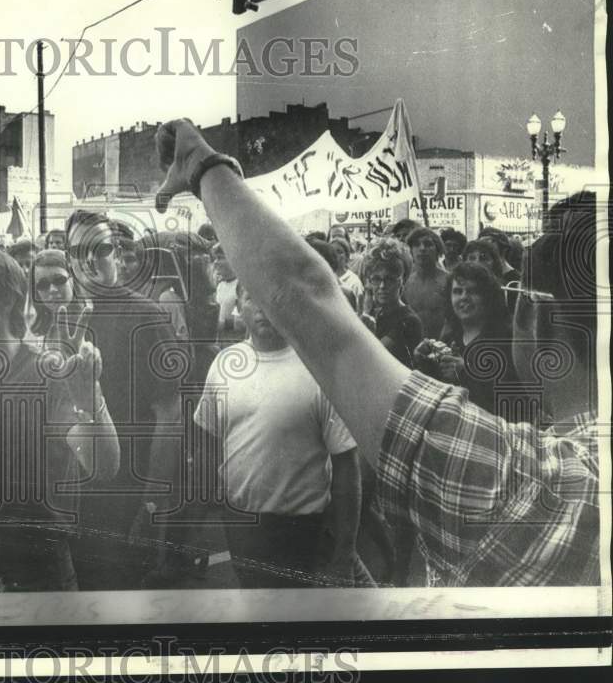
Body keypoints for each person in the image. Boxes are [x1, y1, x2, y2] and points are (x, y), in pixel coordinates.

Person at [152, 118, 599, 586]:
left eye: (512, 294)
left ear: (537, 317)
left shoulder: (534, 486)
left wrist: (203, 166)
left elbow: (303, 295)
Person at [0, 250, 119, 591]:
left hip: (39, 575)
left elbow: (103, 466)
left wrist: (89, 399)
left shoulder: (45, 373)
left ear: (4, 302)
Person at [196, 281, 367, 588]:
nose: (262, 308)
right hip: (241, 525)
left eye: (270, 297)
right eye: (252, 297)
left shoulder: (318, 368)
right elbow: (207, 442)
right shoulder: (224, 365)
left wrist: (344, 553)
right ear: (238, 306)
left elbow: (346, 467)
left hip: (304, 529)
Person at [64, 209, 184, 588]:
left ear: (114, 252)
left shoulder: (147, 316)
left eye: (97, 248)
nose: (88, 260)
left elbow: (170, 414)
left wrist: (151, 504)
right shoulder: (61, 317)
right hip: (68, 492)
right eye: (77, 250)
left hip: (124, 495)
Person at [413, 262, 517, 419]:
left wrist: (466, 372)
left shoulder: (505, 338)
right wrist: (424, 361)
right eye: (457, 291)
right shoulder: (450, 336)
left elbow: (513, 399)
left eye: (472, 291)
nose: (464, 297)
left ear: (488, 297)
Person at [361, 238, 423, 368]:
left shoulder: (408, 321)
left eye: (389, 279)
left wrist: (366, 313)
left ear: (402, 280)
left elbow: (372, 358)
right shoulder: (378, 313)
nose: (382, 286)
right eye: (376, 279)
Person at [402, 227, 450, 338]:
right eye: (417, 245)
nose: (422, 249)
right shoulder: (405, 282)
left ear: (438, 250)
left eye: (428, 244)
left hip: (442, 346)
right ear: (411, 250)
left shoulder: (449, 281)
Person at [211, 242, 245, 346]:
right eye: (215, 258)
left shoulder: (241, 286)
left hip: (236, 345)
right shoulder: (220, 285)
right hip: (220, 344)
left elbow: (243, 322)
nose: (215, 262)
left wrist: (219, 324)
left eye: (220, 258)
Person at [330, 236, 364, 312]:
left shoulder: (354, 281)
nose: (336, 255)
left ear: (347, 256)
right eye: (332, 252)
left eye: (339, 252)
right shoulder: (327, 277)